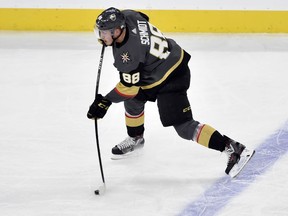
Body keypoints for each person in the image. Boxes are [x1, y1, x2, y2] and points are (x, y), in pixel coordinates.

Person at [87, 7, 250, 175]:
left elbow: (129, 88)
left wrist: (105, 101)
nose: (101, 36)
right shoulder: (128, 16)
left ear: (117, 30)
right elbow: (144, 16)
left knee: (184, 127)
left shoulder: (128, 55)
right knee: (134, 99)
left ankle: (232, 148)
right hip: (161, 65)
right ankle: (136, 138)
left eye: (104, 32)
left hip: (171, 78)